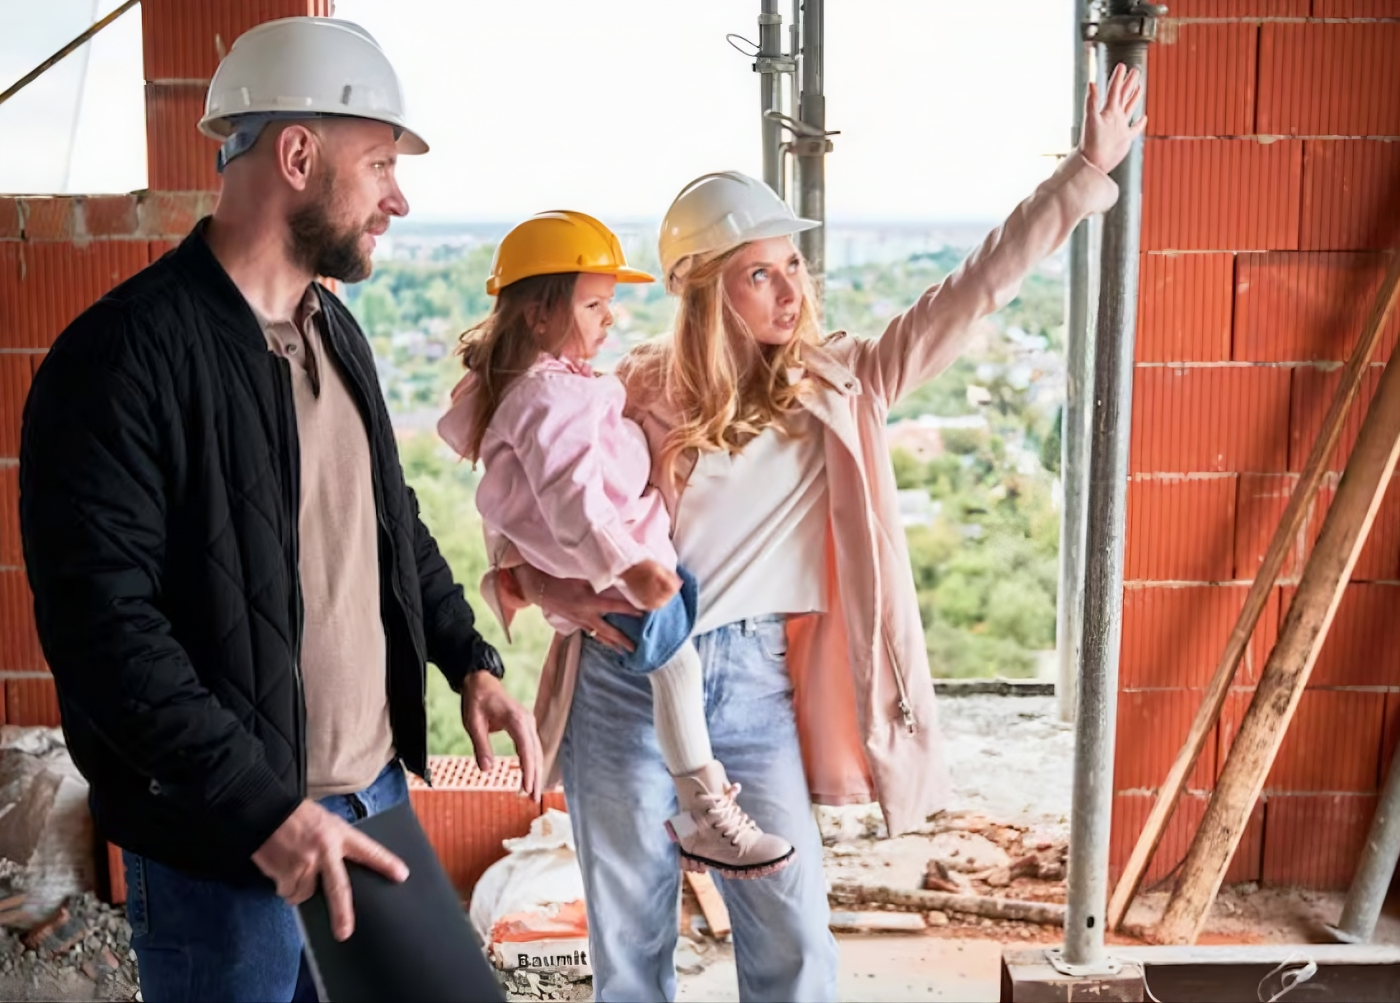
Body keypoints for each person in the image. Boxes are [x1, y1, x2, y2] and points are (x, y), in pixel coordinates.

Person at [487, 65, 1146, 1001]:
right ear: (708, 290)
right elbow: (524, 477)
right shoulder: (632, 386)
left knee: (792, 936)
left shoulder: (846, 384)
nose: (790, 289)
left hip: (754, 686)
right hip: (624, 679)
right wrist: (537, 586)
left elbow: (974, 290)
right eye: (761, 272)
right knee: (628, 940)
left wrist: (1083, 173)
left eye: (794, 264)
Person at [19, 17, 537, 1002]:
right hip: (230, 841)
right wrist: (262, 811)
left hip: (369, 796)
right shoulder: (124, 358)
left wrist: (464, 657)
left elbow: (386, 520)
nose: (398, 196)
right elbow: (106, 635)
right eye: (379, 162)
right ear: (297, 155)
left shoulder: (333, 329)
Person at [439, 210, 794, 878]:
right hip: (612, 576)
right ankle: (705, 808)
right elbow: (572, 499)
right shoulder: (549, 398)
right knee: (677, 668)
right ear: (539, 315)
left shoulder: (539, 385)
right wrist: (626, 566)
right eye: (595, 304)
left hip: (619, 565)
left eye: (612, 303)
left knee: (673, 668)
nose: (610, 319)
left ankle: (699, 806)